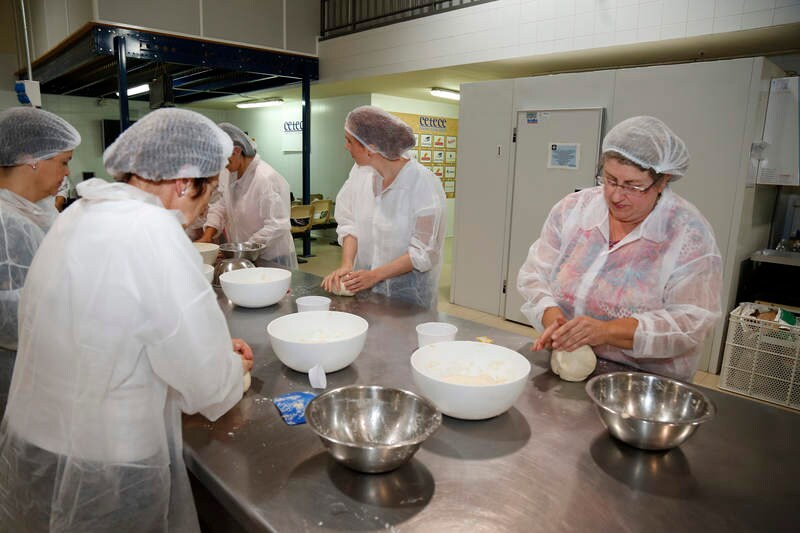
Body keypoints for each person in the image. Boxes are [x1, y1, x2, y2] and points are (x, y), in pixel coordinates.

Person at [0, 108, 254, 531]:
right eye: (209, 191)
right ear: (183, 183)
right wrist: (232, 366)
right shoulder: (154, 231)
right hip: (106, 457)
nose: (207, 203)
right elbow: (206, 386)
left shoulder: (77, 215)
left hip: (38, 435)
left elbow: (104, 322)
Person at [517, 116, 723, 381]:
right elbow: (535, 275)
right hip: (566, 359)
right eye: (610, 180)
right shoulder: (573, 210)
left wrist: (606, 331)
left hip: (646, 379)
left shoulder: (687, 233)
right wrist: (554, 320)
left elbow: (692, 322)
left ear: (662, 182)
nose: (615, 195)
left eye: (633, 186)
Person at [321, 106, 446, 308]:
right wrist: (347, 265)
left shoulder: (422, 184)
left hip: (410, 293)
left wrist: (374, 275)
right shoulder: (360, 173)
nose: (346, 146)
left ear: (370, 148)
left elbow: (423, 252)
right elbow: (348, 221)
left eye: (350, 141)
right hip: (366, 286)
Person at [0, 106, 81, 417]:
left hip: (45, 367)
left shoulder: (37, 209)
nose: (67, 173)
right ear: (30, 159)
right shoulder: (8, 225)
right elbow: (13, 325)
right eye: (64, 161)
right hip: (20, 378)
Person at [196, 122, 297, 269]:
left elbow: (278, 225)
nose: (221, 165)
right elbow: (221, 206)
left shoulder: (265, 178)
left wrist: (245, 247)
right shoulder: (230, 173)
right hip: (246, 254)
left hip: (271, 256)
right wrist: (208, 234)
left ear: (236, 151)